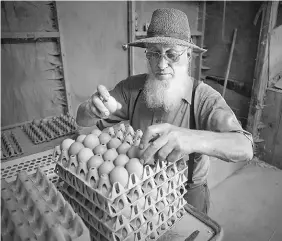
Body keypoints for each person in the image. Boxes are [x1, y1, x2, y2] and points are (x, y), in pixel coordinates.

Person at [76, 8, 253, 214]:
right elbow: (82, 120)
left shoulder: (203, 97)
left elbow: (244, 148)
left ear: (188, 56)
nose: (161, 64)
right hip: (139, 187)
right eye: (154, 54)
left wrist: (192, 139)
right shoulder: (132, 88)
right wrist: (90, 109)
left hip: (186, 194)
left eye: (171, 54)